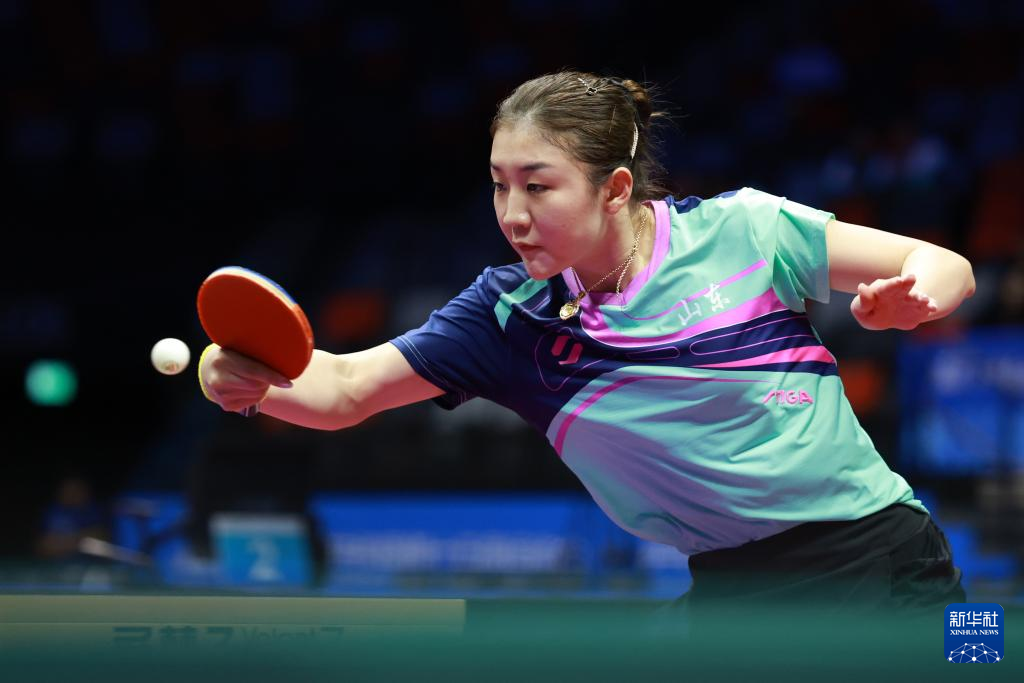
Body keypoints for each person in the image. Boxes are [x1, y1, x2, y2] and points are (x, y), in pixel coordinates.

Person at [198, 70, 975, 615]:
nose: (513, 213)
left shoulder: (745, 229)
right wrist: (238, 371)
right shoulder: (508, 315)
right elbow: (341, 389)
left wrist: (917, 297)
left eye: (538, 185)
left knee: (983, 657)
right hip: (733, 586)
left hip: (880, 556)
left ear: (615, 189)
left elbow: (946, 265)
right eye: (500, 184)